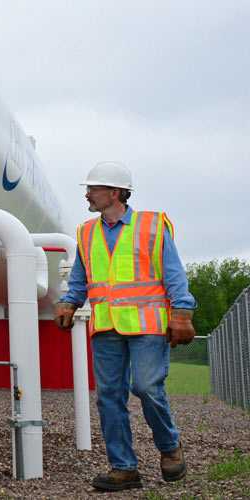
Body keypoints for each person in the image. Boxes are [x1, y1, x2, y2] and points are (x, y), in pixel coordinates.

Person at [54, 161, 197, 491]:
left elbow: (173, 274)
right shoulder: (86, 232)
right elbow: (80, 278)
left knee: (147, 387)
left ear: (114, 193)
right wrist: (69, 302)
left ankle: (170, 447)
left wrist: (182, 314)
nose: (87, 195)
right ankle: (124, 468)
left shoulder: (152, 225)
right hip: (105, 326)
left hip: (147, 325)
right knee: (108, 397)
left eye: (93, 189)